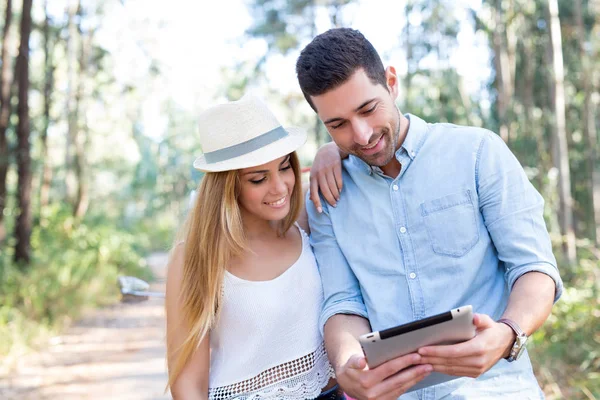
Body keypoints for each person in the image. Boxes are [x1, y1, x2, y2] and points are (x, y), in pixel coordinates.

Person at [296, 27, 564, 399]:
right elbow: (342, 301)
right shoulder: (328, 195)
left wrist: (508, 333)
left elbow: (535, 268)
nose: (361, 135)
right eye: (337, 125)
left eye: (368, 109)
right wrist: (346, 363)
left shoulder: (477, 153)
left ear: (391, 83)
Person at [164, 94, 346, 399]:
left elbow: (362, 152)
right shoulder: (195, 256)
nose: (279, 187)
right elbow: (187, 382)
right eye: (258, 179)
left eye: (285, 167)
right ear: (228, 186)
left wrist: (331, 150)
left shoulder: (303, 218)